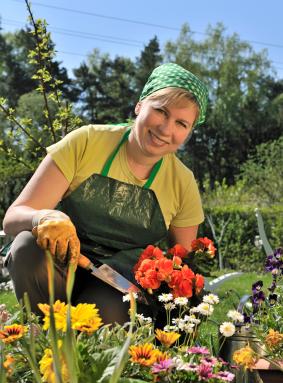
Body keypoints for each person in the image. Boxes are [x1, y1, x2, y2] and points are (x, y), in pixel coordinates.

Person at [3, 63, 208, 324]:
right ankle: (44, 340)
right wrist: (44, 217)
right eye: (160, 111)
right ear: (139, 105)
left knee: (103, 313)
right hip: (60, 266)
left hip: (119, 286)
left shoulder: (182, 182)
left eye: (181, 123)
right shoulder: (87, 142)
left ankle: (87, 358)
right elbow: (13, 218)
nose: (166, 129)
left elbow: (183, 264)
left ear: (189, 131)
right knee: (25, 248)